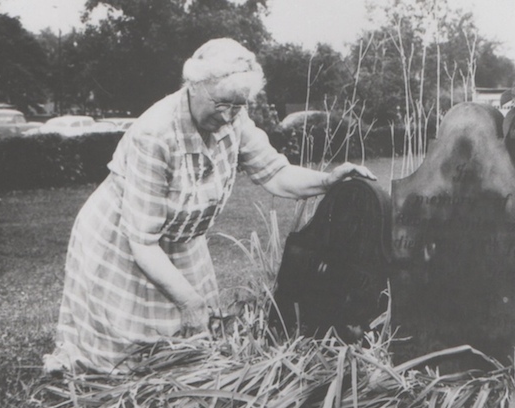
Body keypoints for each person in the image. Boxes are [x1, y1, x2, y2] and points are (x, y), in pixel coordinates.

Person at [43, 38, 376, 375]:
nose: (229, 116)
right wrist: (190, 302)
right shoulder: (155, 133)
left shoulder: (234, 117)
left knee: (186, 350)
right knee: (126, 351)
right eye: (222, 105)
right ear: (194, 85)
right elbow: (143, 242)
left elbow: (275, 173)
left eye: (238, 105)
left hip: (181, 239)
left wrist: (326, 181)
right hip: (126, 238)